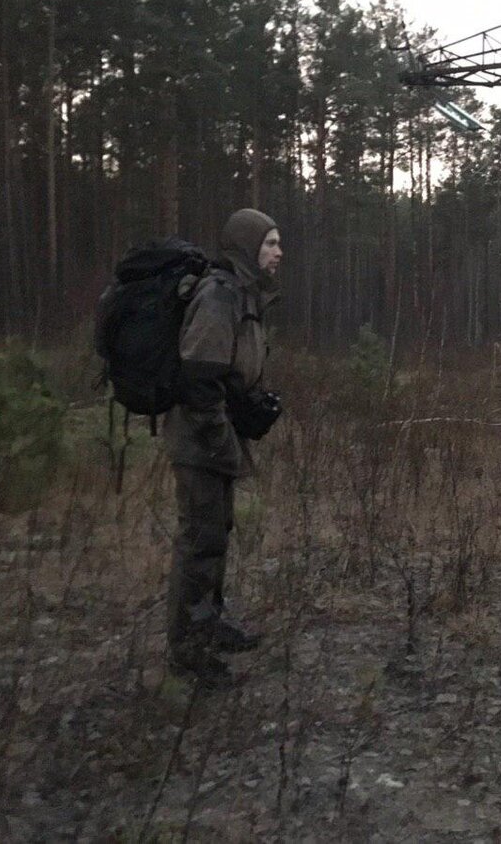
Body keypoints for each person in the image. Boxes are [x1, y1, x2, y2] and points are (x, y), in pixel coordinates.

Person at [163, 208, 283, 688]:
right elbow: (199, 376)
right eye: (271, 243)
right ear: (247, 245)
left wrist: (250, 408)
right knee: (200, 541)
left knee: (216, 533)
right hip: (201, 440)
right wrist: (218, 439)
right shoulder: (219, 294)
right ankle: (188, 653)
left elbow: (229, 370)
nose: (279, 252)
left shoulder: (243, 294)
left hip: (217, 438)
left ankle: (208, 623)